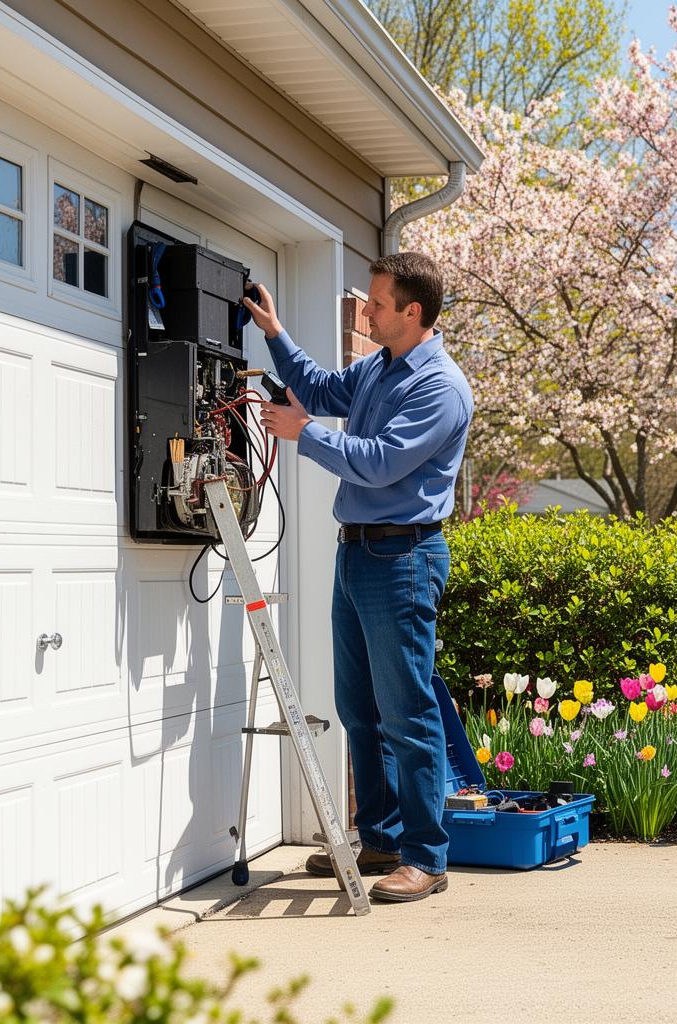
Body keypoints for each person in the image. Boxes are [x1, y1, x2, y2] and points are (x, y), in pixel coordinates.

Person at [242, 252, 473, 903]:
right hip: (358, 555)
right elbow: (318, 389)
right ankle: (381, 838)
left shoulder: (441, 387)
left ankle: (425, 858)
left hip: (403, 559)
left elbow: (379, 463)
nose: (365, 311)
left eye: (376, 303)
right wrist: (275, 333)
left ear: (412, 311)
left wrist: (306, 434)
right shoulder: (379, 366)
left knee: (407, 712)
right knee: (359, 710)